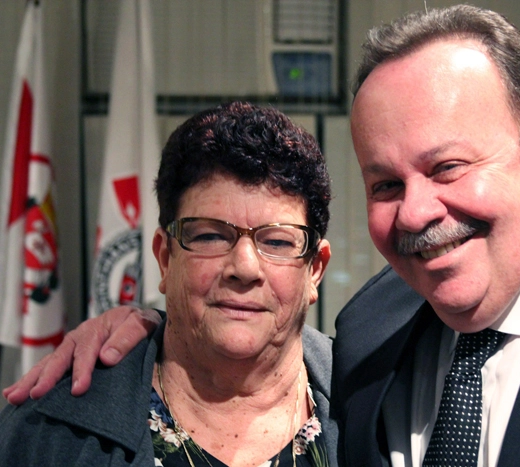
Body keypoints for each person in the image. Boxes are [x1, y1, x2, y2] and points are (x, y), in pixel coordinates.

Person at [6, 4, 520, 466]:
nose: (418, 211)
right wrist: (145, 327)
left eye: (448, 166)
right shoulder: (376, 329)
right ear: (164, 253)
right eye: (386, 184)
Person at [0, 101, 337, 467]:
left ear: (315, 269)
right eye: (210, 236)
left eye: (277, 242)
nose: (244, 267)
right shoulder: (49, 433)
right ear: (164, 258)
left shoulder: (380, 409)